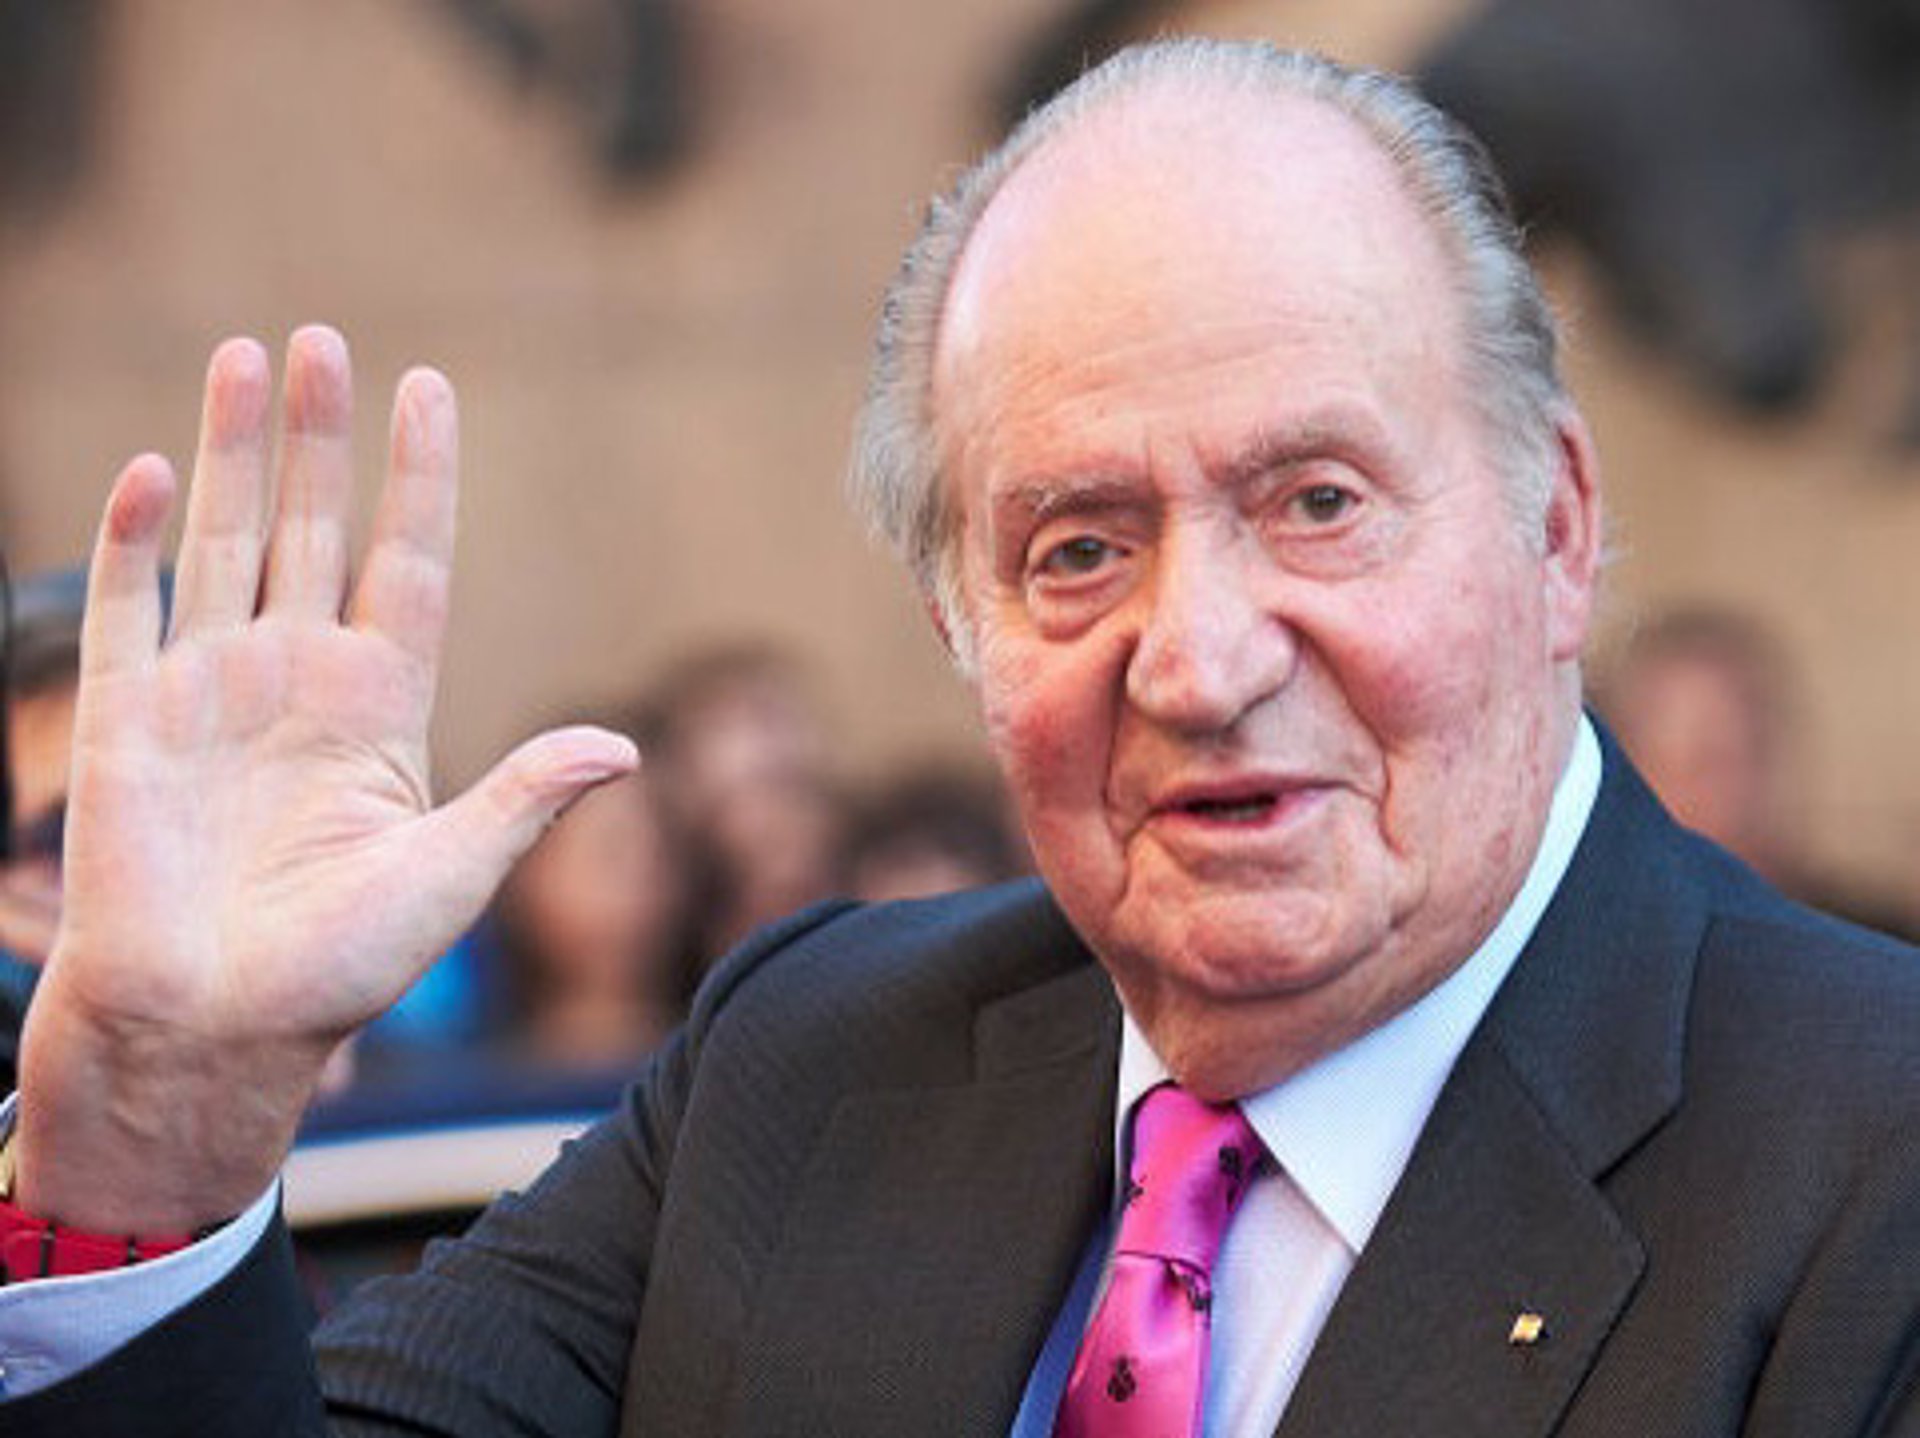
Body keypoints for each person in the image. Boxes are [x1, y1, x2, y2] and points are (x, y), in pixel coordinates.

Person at [2, 38, 1917, 1437]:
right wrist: (158, 1138)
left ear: (1556, 527)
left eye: (1318, 503)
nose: (1200, 661)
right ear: (962, 626)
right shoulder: (807, 1066)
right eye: (1079, 548)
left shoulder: (1870, 1173)